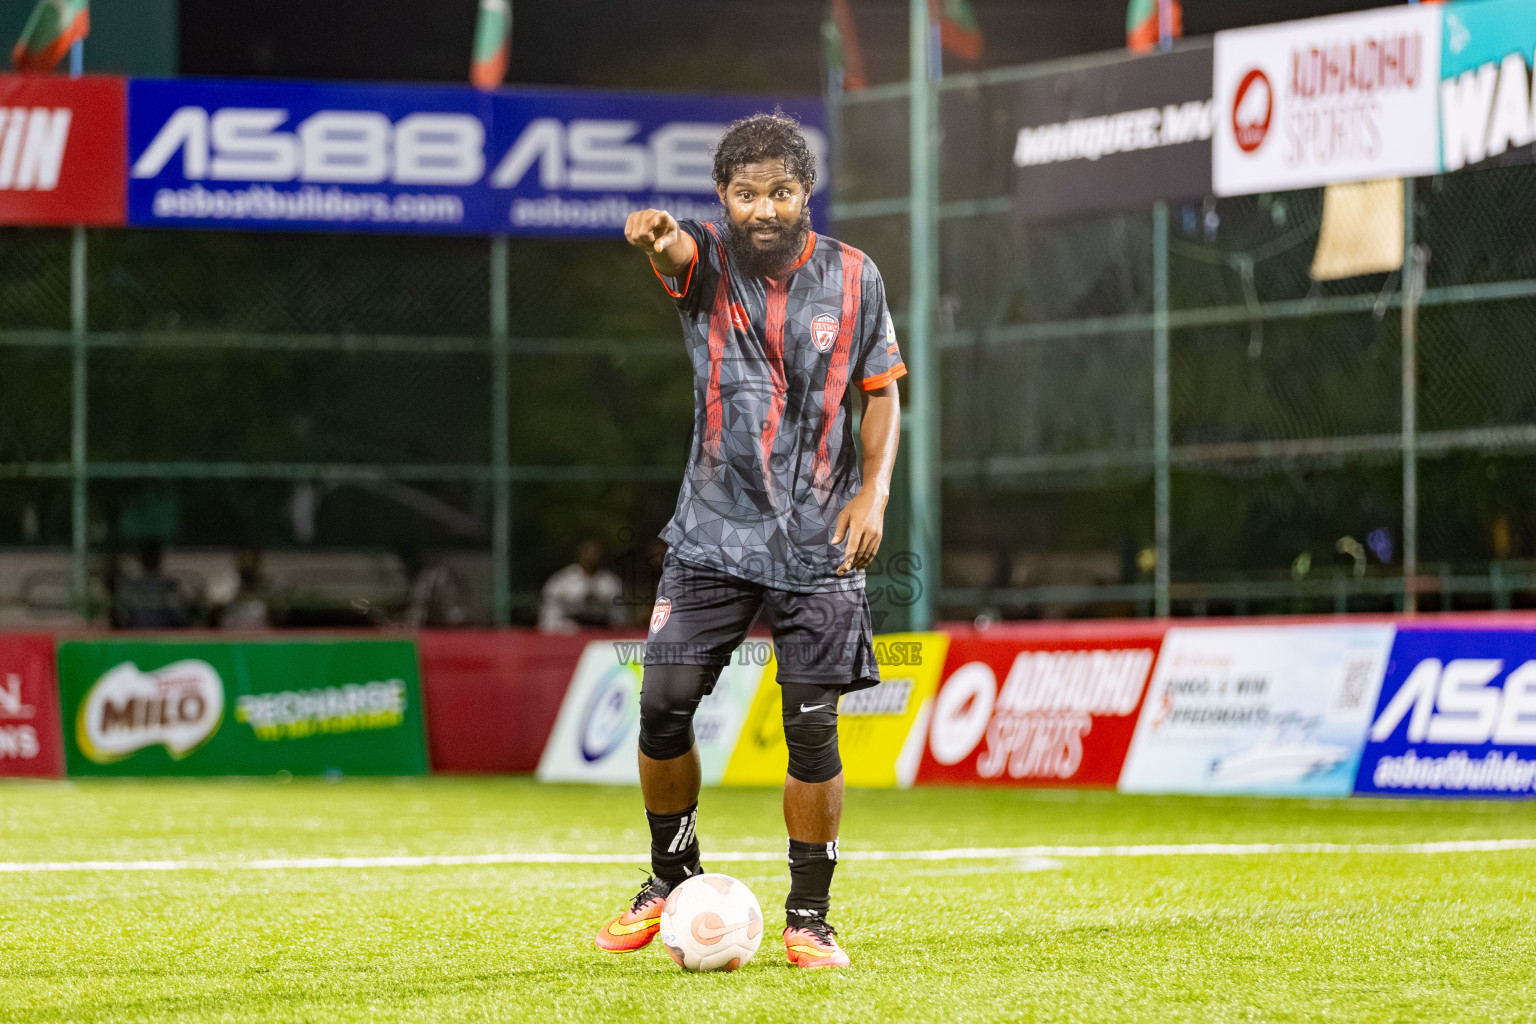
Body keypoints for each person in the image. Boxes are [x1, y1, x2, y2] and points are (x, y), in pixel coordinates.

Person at [593, 112, 904, 969]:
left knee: (811, 728)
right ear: (722, 201)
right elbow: (675, 255)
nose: (763, 208)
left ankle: (810, 917)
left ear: (805, 194)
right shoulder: (709, 261)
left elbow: (882, 392)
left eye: (780, 191)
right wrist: (658, 237)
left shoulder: (854, 275)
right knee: (661, 707)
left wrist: (873, 492)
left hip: (819, 539)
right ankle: (669, 879)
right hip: (710, 534)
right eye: (744, 193)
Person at [539, 538, 624, 631]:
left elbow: (619, 615)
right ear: (580, 555)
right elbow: (550, 613)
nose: (592, 557)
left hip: (601, 630)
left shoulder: (611, 583)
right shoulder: (561, 582)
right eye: (588, 553)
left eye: (595, 553)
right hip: (569, 630)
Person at [114, 542, 192, 629]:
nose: (151, 558)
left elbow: (180, 617)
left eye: (152, 556)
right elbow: (121, 618)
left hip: (165, 639)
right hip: (136, 638)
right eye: (149, 556)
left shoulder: (170, 585)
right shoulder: (131, 585)